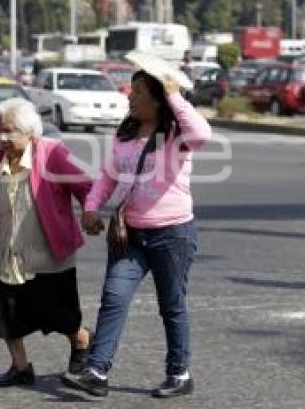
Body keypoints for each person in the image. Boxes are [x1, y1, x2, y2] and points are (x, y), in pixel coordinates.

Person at [62, 70, 211, 399]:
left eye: (139, 92)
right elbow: (107, 176)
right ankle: (96, 371)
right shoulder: (126, 131)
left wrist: (174, 94)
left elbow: (202, 134)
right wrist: (91, 207)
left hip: (172, 234)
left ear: (158, 99)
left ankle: (179, 373)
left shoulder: (175, 133)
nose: (129, 96)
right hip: (130, 234)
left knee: (171, 305)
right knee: (114, 298)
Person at [0, 98, 93, 387]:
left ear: (30, 132)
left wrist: (90, 212)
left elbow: (85, 186)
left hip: (48, 252)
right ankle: (20, 367)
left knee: (61, 316)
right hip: (8, 251)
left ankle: (82, 340)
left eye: (9, 131)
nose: (2, 138)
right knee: (6, 315)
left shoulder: (52, 154)